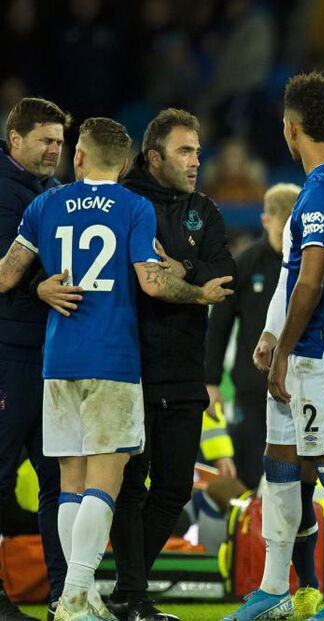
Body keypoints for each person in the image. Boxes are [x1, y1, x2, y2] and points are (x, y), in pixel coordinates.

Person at [0, 117, 231, 621]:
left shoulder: (43, 204)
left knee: (69, 484)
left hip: (57, 360)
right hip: (113, 360)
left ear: (78, 157)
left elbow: (7, 274)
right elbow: (151, 282)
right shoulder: (133, 207)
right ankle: (78, 599)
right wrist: (199, 293)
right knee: (106, 482)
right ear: (125, 163)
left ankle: (70, 598)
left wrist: (38, 287)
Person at [227, 71, 324, 621]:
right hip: (315, 343)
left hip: (323, 351)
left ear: (291, 129)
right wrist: (274, 333)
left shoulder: (319, 192)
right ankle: (273, 588)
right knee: (280, 462)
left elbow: (309, 283)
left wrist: (283, 350)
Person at [106, 108, 237, 621]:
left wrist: (183, 267)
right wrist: (193, 285)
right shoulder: (126, 203)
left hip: (185, 367)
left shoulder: (203, 209)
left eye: (199, 151)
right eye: (185, 151)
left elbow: (222, 273)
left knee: (175, 485)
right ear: (153, 156)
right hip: (134, 364)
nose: (196, 161)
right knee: (129, 484)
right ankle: (132, 594)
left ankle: (127, 587)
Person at [0, 97, 70, 621]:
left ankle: (64, 596)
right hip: (7, 353)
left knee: (56, 478)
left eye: (61, 142)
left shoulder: (48, 195)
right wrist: (32, 290)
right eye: (45, 140)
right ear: (15, 138)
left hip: (46, 358)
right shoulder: (6, 192)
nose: (55, 150)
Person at [205, 183, 300, 489]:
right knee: (252, 469)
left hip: (299, 384)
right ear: (265, 221)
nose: (286, 238)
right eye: (281, 229)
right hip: (252, 387)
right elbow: (218, 323)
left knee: (295, 470)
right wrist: (211, 380)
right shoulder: (245, 264)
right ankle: (250, 532)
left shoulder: (309, 263)